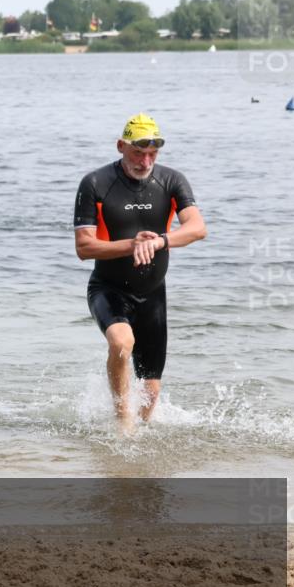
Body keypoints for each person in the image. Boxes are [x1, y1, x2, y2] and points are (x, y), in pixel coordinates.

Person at [73, 114, 207, 435]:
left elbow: (198, 228)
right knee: (121, 343)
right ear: (121, 146)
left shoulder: (172, 181)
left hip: (153, 294)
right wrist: (131, 245)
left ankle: (141, 441)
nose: (145, 161)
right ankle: (123, 425)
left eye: (152, 154)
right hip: (108, 288)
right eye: (137, 152)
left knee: (152, 393)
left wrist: (161, 240)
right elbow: (84, 246)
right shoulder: (96, 183)